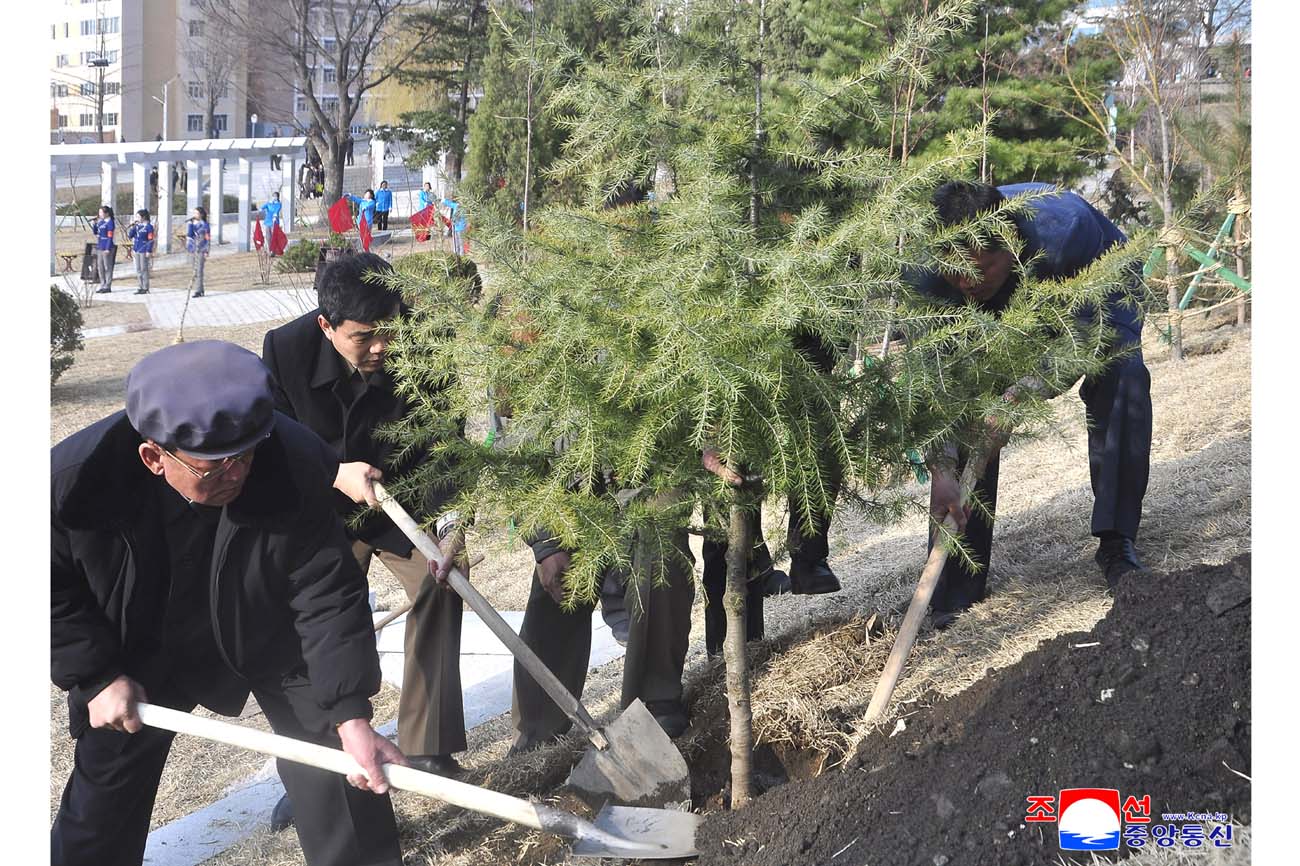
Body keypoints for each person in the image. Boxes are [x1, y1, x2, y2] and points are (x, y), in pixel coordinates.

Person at [50, 341, 407, 866]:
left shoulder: (292, 459)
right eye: (214, 468)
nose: (237, 474)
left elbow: (326, 589)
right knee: (101, 805)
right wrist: (96, 677)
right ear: (154, 456)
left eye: (245, 456)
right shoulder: (71, 485)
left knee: (339, 758)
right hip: (136, 649)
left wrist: (350, 713)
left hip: (266, 626)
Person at [261, 253, 469, 829]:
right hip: (320, 507)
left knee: (445, 585)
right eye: (365, 336)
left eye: (390, 329)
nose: (382, 346)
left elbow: (447, 439)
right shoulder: (284, 350)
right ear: (326, 327)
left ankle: (429, 744)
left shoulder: (425, 344)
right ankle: (325, 763)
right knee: (316, 623)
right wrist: (332, 469)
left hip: (406, 499)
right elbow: (273, 440)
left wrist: (450, 524)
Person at [915, 180, 1152, 627]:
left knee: (1123, 375)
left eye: (981, 269)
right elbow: (935, 382)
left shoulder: (1068, 231)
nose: (967, 283)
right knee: (970, 411)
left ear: (1012, 246)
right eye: (955, 272)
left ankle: (1117, 541)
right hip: (1002, 310)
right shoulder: (926, 272)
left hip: (1094, 293)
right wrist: (942, 469)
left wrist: (1022, 393)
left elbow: (1090, 336)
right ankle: (957, 584)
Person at [512, 491, 696, 751]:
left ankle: (656, 702)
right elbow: (517, 464)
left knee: (660, 552)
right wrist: (546, 545)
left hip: (648, 483)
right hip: (569, 489)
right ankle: (537, 732)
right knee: (556, 581)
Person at [125, 209, 155, 296]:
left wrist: (149, 250)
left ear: (143, 217)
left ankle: (145, 287)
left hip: (144, 249)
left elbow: (150, 240)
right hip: (137, 249)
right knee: (138, 269)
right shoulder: (138, 226)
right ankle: (140, 286)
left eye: (138, 216)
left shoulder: (149, 227)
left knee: (143, 269)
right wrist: (133, 227)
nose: (137, 218)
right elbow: (130, 235)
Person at [185, 207, 211, 298]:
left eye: (196, 213)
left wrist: (207, 250)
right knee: (194, 271)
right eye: (194, 213)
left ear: (201, 215)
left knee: (199, 270)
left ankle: (199, 290)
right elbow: (189, 235)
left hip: (201, 249)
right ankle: (200, 289)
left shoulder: (205, 225)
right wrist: (190, 225)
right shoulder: (192, 224)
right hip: (193, 249)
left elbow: (207, 238)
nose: (194, 215)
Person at [93, 205, 116, 294]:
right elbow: (95, 232)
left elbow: (110, 236)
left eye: (101, 213)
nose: (99, 214)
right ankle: (102, 284)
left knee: (107, 267)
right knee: (100, 267)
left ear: (106, 213)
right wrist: (95, 224)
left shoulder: (110, 222)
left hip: (107, 247)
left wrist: (107, 248)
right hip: (100, 246)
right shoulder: (101, 222)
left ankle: (107, 285)